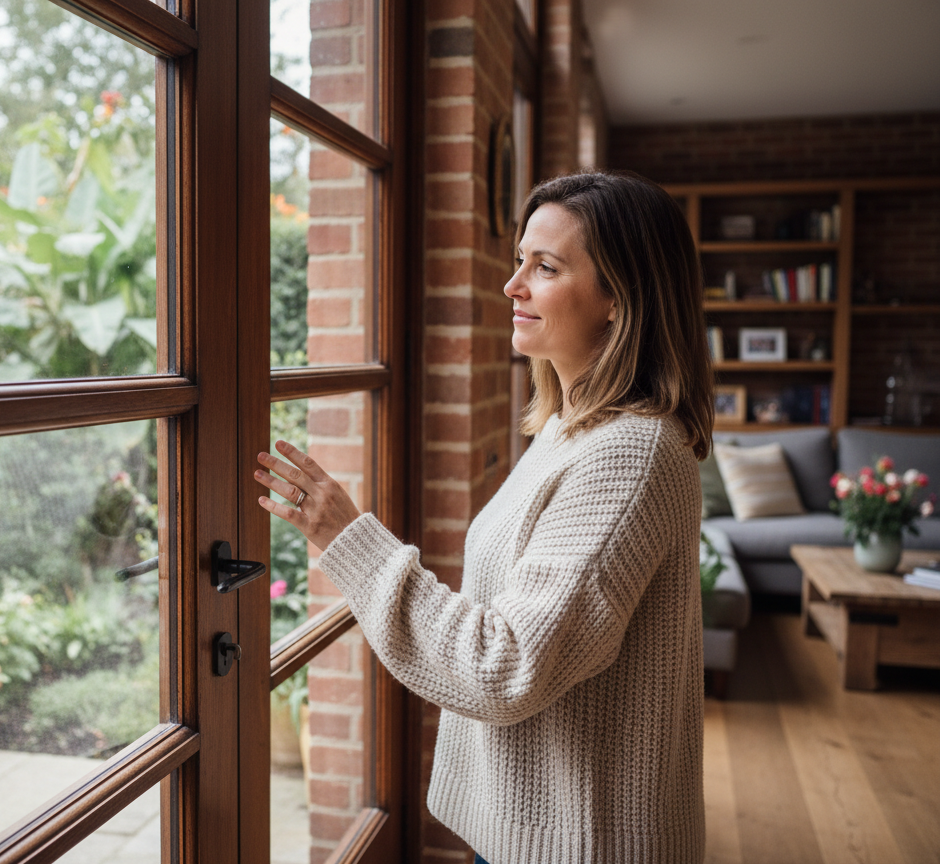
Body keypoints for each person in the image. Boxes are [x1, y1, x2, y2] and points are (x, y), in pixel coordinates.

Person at [254, 171, 714, 864]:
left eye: (545, 266)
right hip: (531, 836)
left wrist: (349, 540)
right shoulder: (569, 429)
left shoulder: (632, 453)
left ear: (620, 297)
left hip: (582, 847)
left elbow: (505, 666)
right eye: (519, 260)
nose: (513, 285)